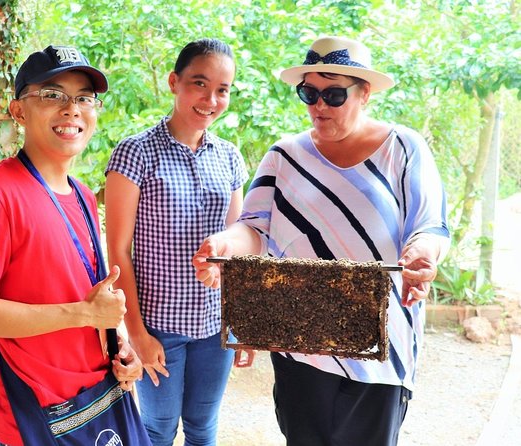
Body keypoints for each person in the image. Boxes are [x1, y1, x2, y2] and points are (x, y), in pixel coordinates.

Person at [192, 36, 451, 446]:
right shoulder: (284, 156)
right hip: (300, 345)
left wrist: (422, 254)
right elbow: (254, 228)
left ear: (364, 93)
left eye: (333, 94)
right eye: (309, 93)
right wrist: (224, 245)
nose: (319, 106)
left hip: (381, 351)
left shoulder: (403, 149)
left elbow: (430, 227)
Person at [0, 45, 150, 446]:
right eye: (53, 95)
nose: (71, 109)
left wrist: (120, 343)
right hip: (40, 415)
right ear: (19, 110)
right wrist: (84, 314)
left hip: (100, 398)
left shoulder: (83, 195)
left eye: (83, 98)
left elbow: (87, 296)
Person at [104, 38, 255, 446]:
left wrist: (242, 324)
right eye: (199, 84)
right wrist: (135, 332)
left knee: (204, 429)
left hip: (215, 326)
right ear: (174, 82)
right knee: (157, 429)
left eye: (222, 89)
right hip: (158, 326)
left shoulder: (230, 157)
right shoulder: (135, 153)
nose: (211, 99)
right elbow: (117, 251)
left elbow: (237, 245)